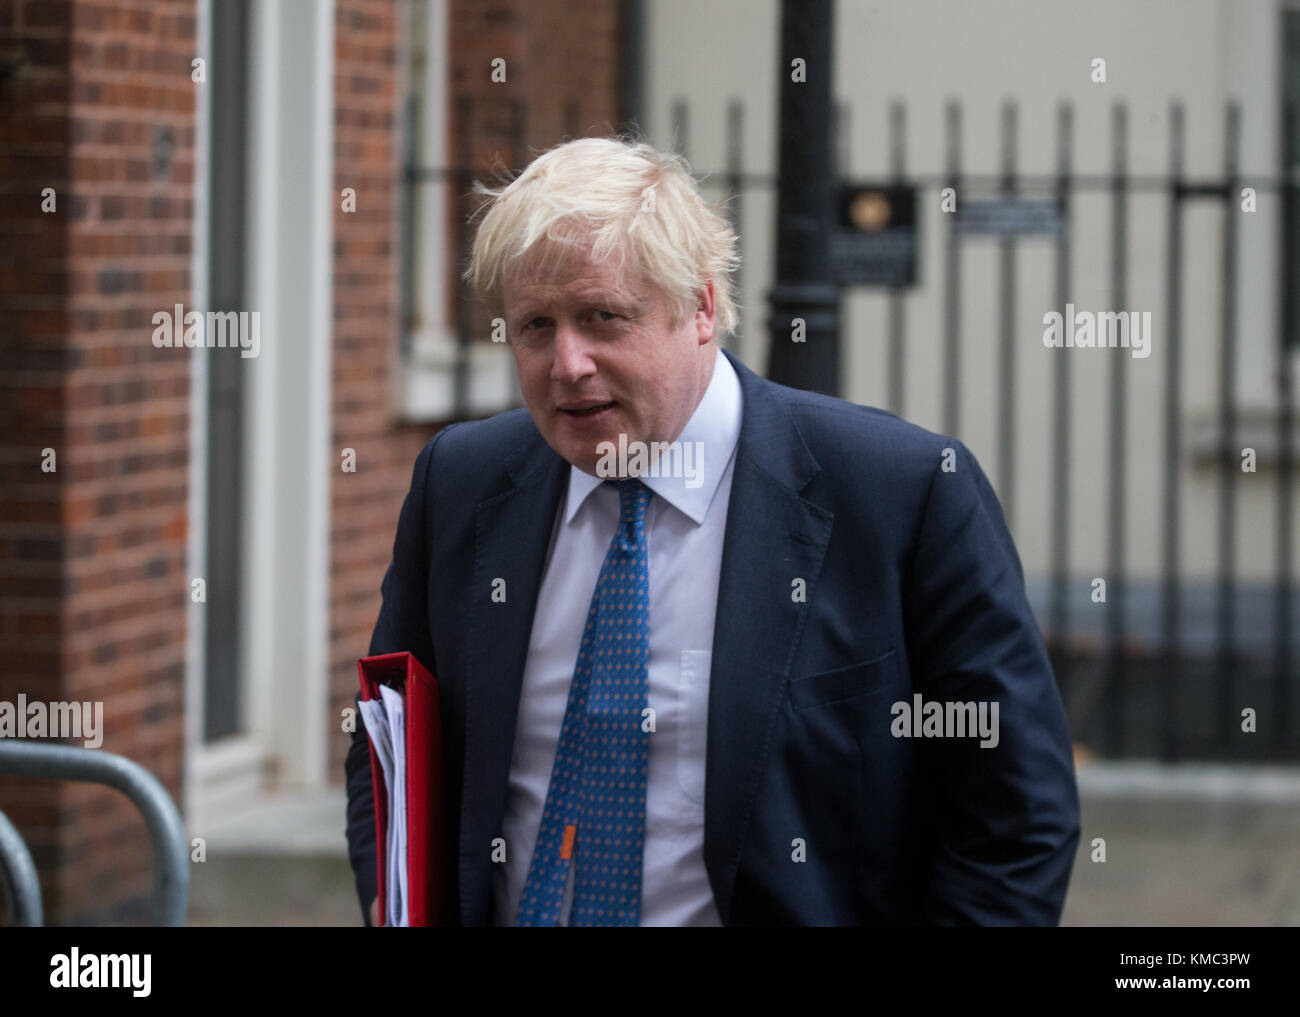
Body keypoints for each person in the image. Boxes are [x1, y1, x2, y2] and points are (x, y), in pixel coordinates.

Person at [344, 135, 1080, 926]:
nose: (568, 363)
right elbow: (390, 758)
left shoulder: (902, 494)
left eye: (603, 317)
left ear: (700, 307)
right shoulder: (460, 481)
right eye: (534, 326)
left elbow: (1016, 822)